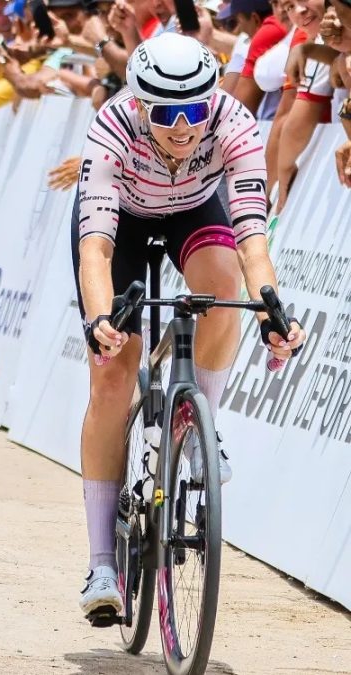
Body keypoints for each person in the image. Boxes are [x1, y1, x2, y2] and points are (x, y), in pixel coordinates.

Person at [72, 32, 306, 621]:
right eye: (167, 113)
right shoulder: (111, 128)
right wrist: (102, 319)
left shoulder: (235, 123)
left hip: (192, 211)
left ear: (212, 100)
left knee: (224, 288)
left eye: (195, 109)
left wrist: (273, 310)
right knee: (111, 380)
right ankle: (102, 563)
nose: (183, 126)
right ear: (140, 106)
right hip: (120, 223)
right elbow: (96, 251)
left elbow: (253, 241)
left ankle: (197, 425)